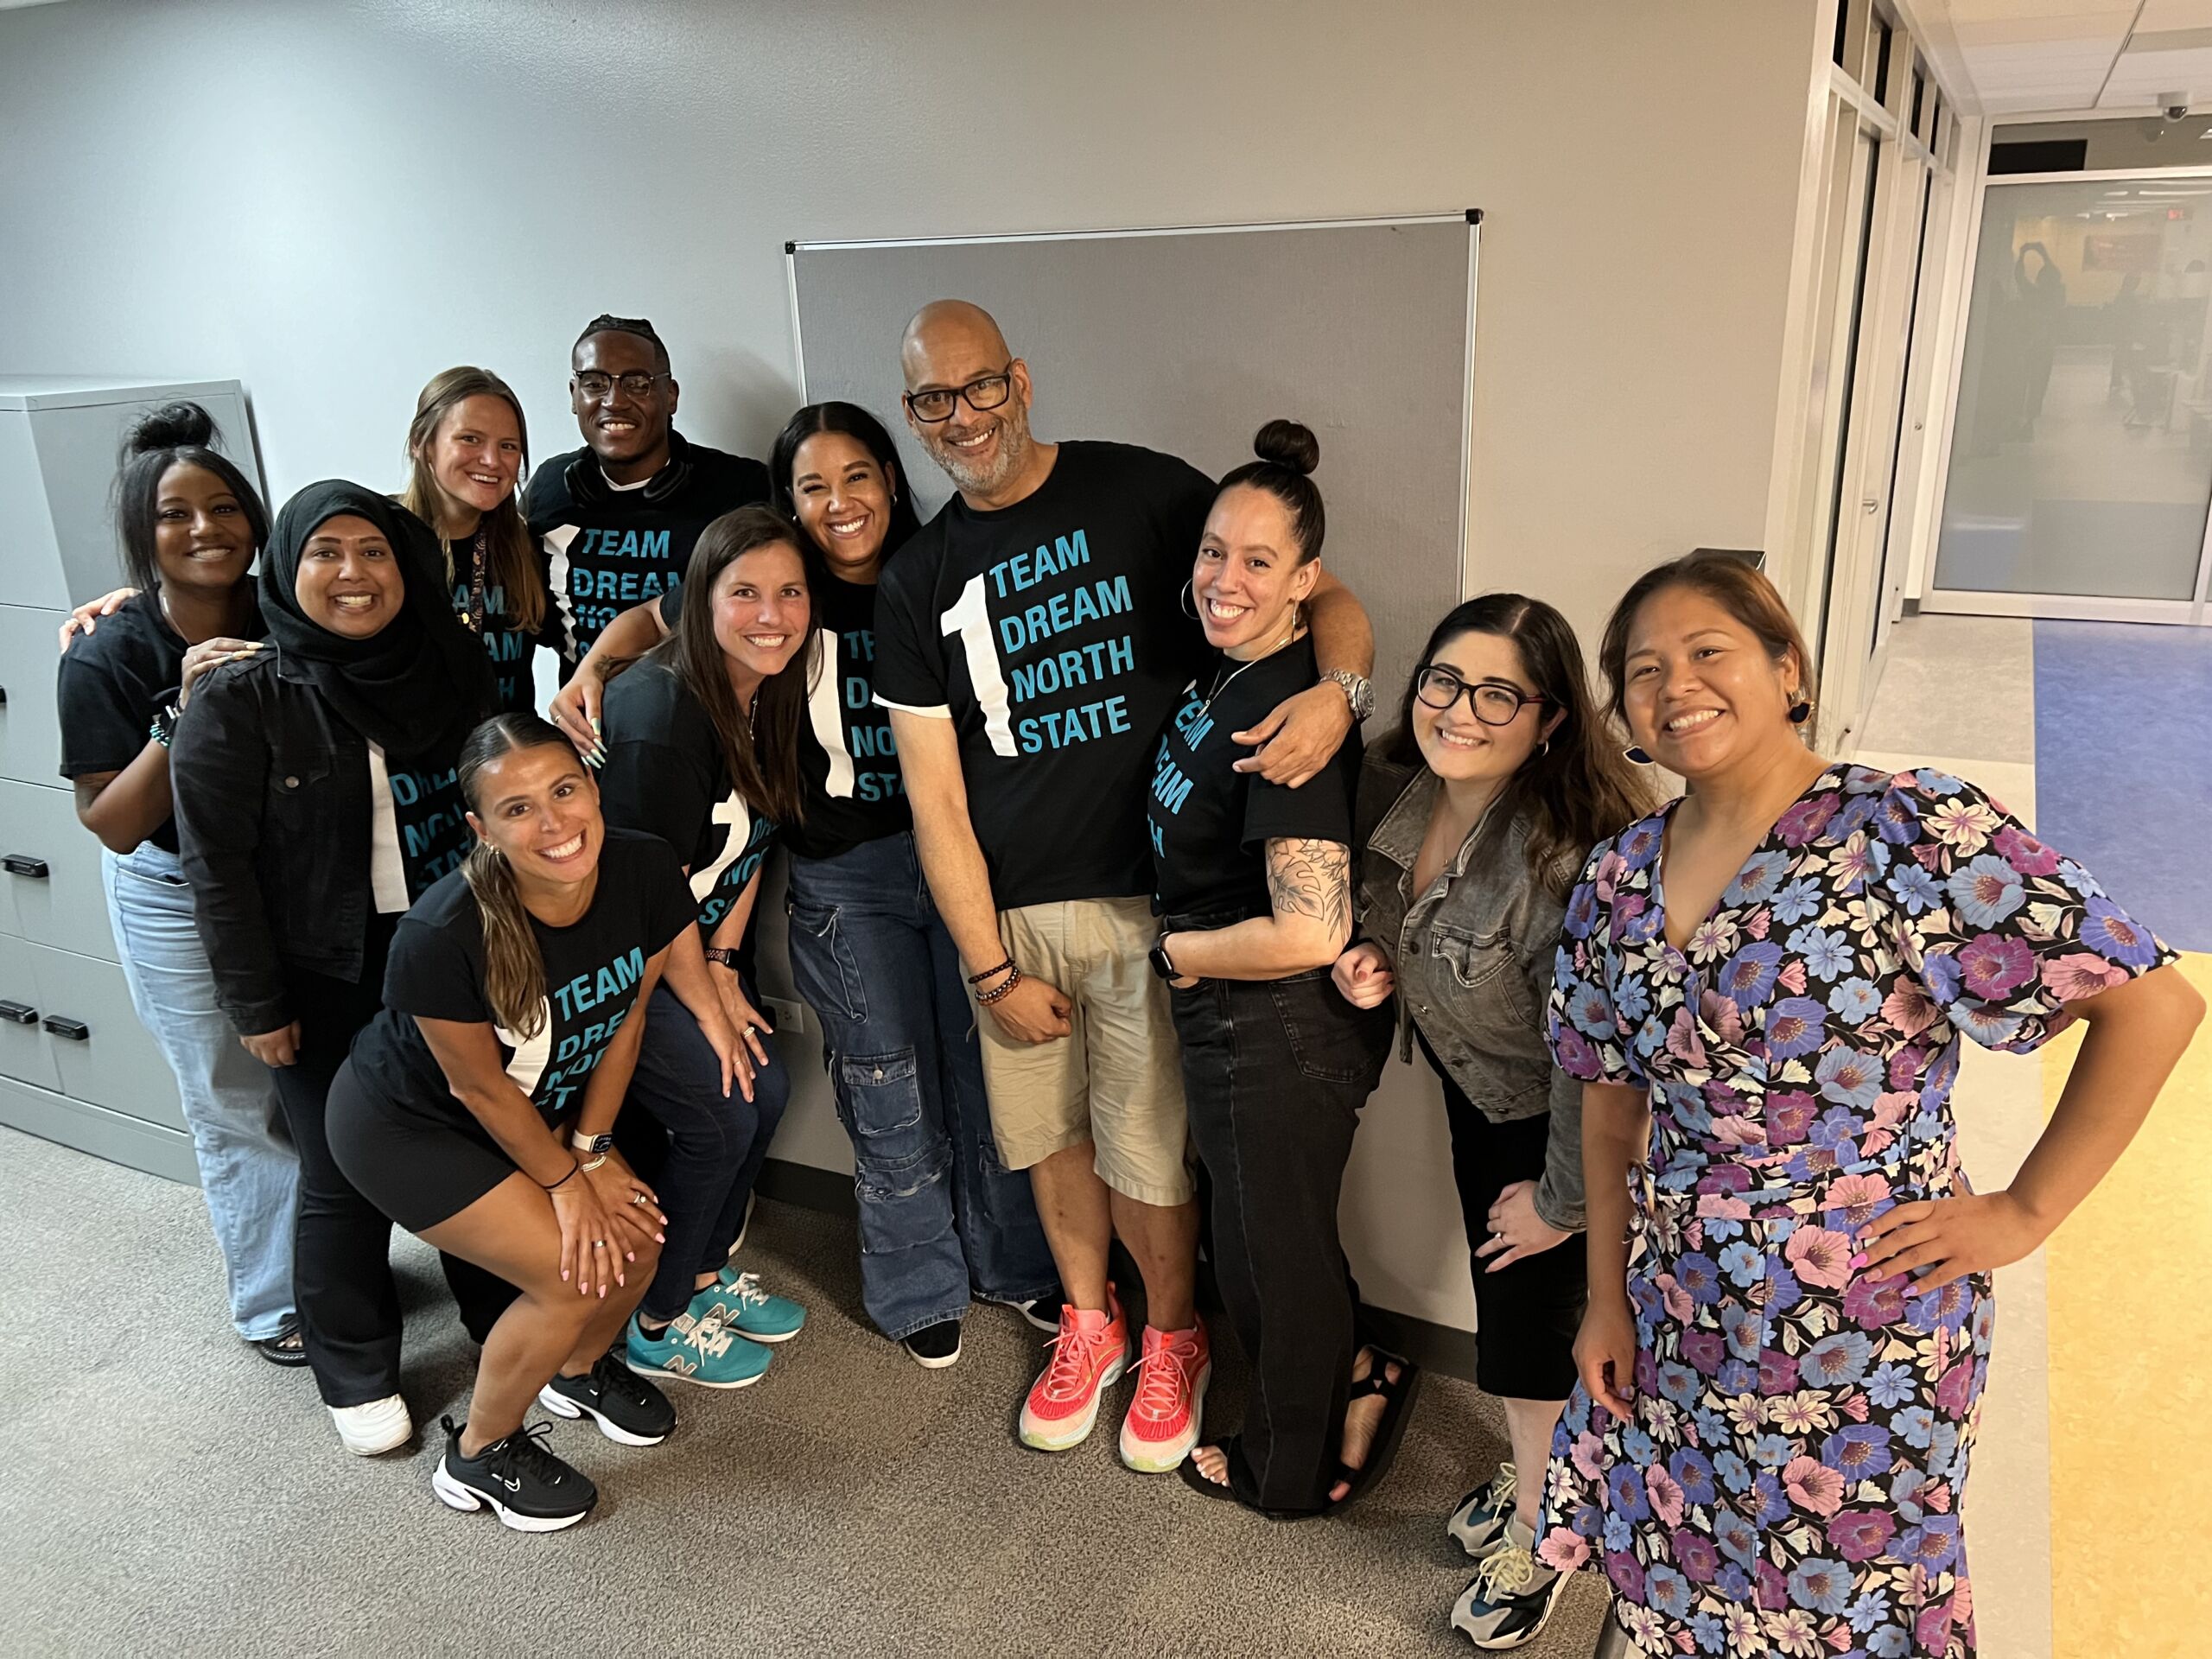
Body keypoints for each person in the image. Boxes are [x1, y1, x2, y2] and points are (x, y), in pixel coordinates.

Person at [1542, 551, 2203, 1658]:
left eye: (1708, 651)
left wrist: (2023, 1212)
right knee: (1688, 1560)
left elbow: (2152, 1005)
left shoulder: (1904, 830)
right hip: (1679, 1297)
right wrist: (1603, 1299)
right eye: (1643, 669)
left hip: (1866, 1310)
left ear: (1786, 667)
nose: (1676, 685)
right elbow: (1607, 1105)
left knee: (1853, 1590)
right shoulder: (1617, 876)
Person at [872, 300, 1376, 1471]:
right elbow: (934, 800)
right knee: (1050, 1142)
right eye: (935, 399)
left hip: (1154, 913)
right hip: (1009, 922)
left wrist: (1339, 692)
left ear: (1022, 381)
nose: (963, 416)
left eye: (980, 385)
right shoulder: (917, 580)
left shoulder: (1143, 494)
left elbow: (1319, 589)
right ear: (914, 414)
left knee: (1147, 1148)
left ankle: (1172, 1337)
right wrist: (985, 962)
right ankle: (1088, 1325)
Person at [551, 403, 1063, 1368]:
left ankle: (1016, 1264)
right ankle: (918, 1286)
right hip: (845, 877)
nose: (838, 504)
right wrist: (590, 666)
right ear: (787, 501)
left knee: (992, 1078)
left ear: (888, 478)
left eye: (857, 476)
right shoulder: (773, 586)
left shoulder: (939, 567)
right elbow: (657, 619)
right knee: (887, 1089)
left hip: (963, 863)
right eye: (812, 485)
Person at [172, 480, 518, 1456]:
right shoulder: (241, 700)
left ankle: (502, 1325)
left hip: (451, 950)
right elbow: (219, 874)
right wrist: (256, 1002)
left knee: (472, 1133)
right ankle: (356, 1366)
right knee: (341, 1170)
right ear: (287, 569)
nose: (353, 573)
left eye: (372, 551)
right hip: (318, 966)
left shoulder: (456, 666)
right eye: (325, 553)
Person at [327, 714, 737, 1531]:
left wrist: (592, 1150)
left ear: (592, 786)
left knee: (640, 1236)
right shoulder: (441, 933)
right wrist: (564, 1181)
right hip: (408, 1126)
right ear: (481, 829)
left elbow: (626, 1016)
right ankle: (478, 1454)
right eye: (517, 809)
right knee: (570, 1269)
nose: (554, 824)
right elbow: (477, 1090)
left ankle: (577, 1371)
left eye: (564, 790)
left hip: (533, 1115)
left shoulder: (645, 865)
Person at [1334, 593, 1652, 1645]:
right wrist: (1382, 958)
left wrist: (1563, 1203)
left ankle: (1545, 1532)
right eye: (1442, 680)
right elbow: (1412, 924)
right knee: (1517, 1326)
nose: (1458, 711)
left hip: (1558, 1132)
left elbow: (1594, 1059)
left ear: (1549, 716)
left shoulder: (1565, 854)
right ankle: (1546, 1489)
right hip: (1481, 1101)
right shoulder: (1418, 794)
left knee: (1529, 1343)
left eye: (1497, 695)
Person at [1147, 421, 1403, 1512]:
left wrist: (1177, 953)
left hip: (1275, 1020)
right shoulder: (1236, 670)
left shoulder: (1290, 724)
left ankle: (1284, 1472)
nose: (1224, 578)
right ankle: (1359, 1374)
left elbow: (1307, 929)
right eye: (1214, 551)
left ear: (1305, 580)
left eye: (1258, 561)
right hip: (1244, 1018)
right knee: (1270, 1236)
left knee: (1270, 1260)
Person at [54, 403, 302, 1365]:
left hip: (277, 877)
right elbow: (111, 825)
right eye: (174, 515)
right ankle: (272, 1303)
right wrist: (183, 715)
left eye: (224, 507)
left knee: (302, 1079)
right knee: (232, 1096)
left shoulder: (284, 607)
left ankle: (324, 1262)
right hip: (172, 891)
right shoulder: (108, 651)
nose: (207, 529)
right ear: (141, 535)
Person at [594, 504, 810, 1387]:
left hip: (688, 953)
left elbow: (750, 850)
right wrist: (702, 998)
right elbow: (645, 899)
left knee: (770, 1087)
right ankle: (655, 1317)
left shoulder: (771, 691)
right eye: (745, 593)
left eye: (790, 592)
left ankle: (704, 1275)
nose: (771, 614)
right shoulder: (660, 712)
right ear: (700, 601)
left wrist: (724, 970)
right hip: (619, 967)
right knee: (723, 1109)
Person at [526, 315, 770, 678]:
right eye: (594, 383)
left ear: (670, 395)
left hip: (700, 717)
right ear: (574, 397)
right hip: (586, 723)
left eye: (637, 383)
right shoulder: (549, 486)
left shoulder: (740, 488)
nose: (614, 401)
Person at [400, 366, 550, 713]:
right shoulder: (379, 541)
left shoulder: (526, 547)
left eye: (508, 446)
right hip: (414, 763)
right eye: (470, 439)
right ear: (421, 444)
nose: (492, 461)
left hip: (507, 755)